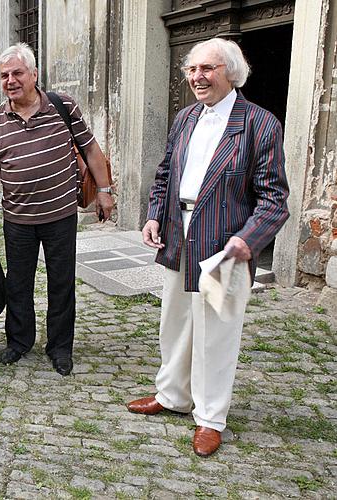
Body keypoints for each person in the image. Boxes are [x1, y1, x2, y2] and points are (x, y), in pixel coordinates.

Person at [126, 38, 289, 457]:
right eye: (192, 69)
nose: (197, 77)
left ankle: (211, 418)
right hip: (179, 233)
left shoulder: (260, 123)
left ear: (231, 72)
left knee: (216, 333)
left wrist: (247, 240)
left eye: (207, 69)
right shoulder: (184, 118)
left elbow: (274, 199)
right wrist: (153, 215)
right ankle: (173, 395)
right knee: (175, 321)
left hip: (225, 244)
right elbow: (166, 174)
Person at [0, 43, 114, 376]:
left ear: (34, 75)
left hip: (60, 216)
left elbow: (91, 150)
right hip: (17, 219)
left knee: (61, 282)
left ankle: (60, 348)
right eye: (4, 75)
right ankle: (19, 342)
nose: (10, 80)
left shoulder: (63, 106)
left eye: (17, 73)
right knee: (17, 284)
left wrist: (105, 191)